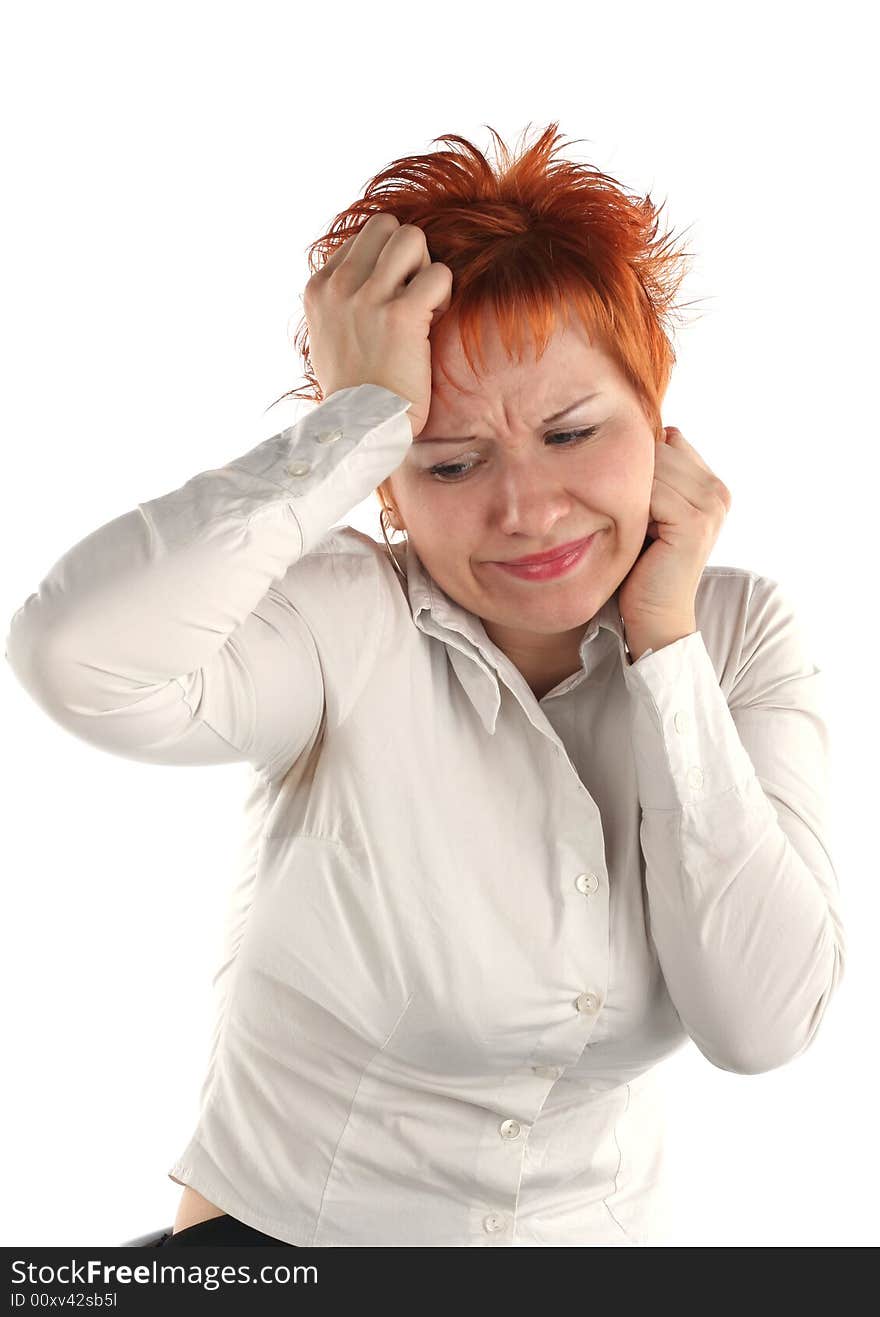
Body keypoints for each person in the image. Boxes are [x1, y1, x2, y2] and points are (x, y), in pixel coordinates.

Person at [4, 122, 845, 1248]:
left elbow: (763, 1023)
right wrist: (346, 429)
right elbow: (76, 658)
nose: (527, 511)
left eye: (572, 431)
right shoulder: (344, 618)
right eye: (447, 460)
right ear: (387, 485)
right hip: (274, 1256)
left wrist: (662, 648)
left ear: (657, 416)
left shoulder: (734, 636)